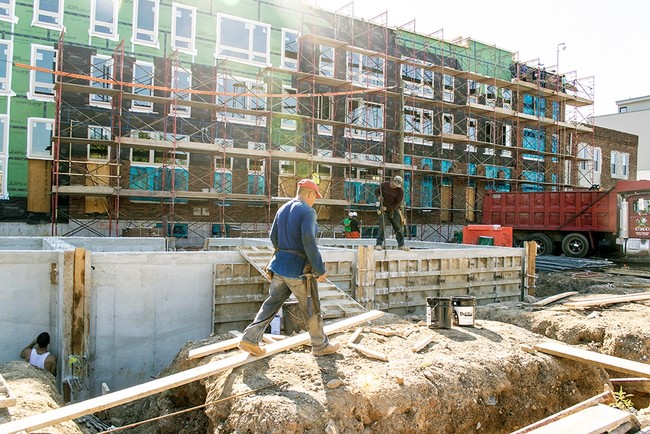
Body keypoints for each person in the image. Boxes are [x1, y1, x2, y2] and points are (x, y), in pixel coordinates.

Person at [238, 178, 339, 357]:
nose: (314, 201)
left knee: (272, 303)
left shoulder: (282, 209)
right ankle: (320, 346)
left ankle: (249, 338)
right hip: (299, 271)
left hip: (279, 267)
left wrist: (284, 253)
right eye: (314, 197)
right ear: (310, 194)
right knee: (311, 307)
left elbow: (273, 237)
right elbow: (309, 239)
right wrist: (319, 268)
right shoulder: (308, 211)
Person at [375, 175, 408, 251]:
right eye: (394, 184)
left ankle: (401, 244)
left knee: (398, 227)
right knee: (382, 226)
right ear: (392, 181)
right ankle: (379, 244)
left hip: (394, 210)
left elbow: (397, 203)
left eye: (396, 186)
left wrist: (387, 208)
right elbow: (376, 191)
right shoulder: (384, 185)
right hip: (383, 209)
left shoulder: (400, 191)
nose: (395, 186)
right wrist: (379, 197)